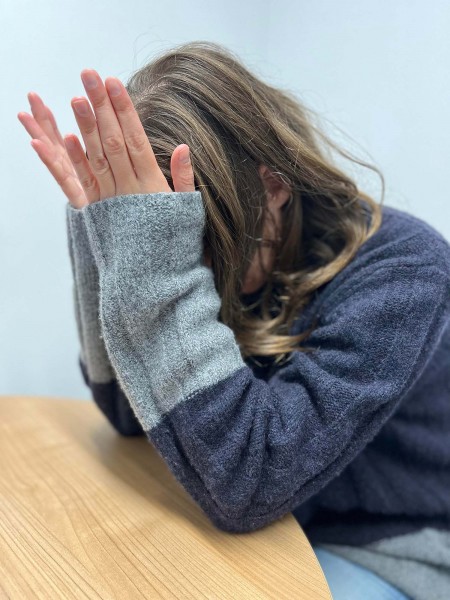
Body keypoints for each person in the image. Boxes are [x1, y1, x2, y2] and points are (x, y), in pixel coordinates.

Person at [18, 41, 450, 600]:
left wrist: (156, 263)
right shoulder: (242, 254)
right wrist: (104, 237)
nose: (191, 267)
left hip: (385, 543)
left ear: (273, 188)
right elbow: (127, 415)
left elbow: (253, 483)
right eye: (171, 248)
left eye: (195, 244)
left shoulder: (406, 271)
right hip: (263, 513)